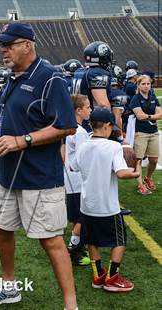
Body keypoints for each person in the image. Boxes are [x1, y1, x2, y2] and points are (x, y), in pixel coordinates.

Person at [0, 22, 78, 310]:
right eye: (1, 45)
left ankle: (72, 306)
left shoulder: (50, 79)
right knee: (3, 231)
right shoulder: (9, 78)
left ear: (28, 46)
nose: (3, 50)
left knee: (52, 242)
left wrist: (22, 140)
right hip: (8, 175)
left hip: (40, 177)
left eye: (9, 44)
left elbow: (67, 126)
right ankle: (9, 288)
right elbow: (6, 117)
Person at [71, 108, 140, 292]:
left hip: (87, 205)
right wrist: (136, 172)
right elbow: (121, 173)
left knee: (92, 241)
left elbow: (73, 167)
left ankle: (98, 276)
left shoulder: (84, 145)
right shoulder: (113, 147)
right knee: (119, 241)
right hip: (107, 206)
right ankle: (112, 278)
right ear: (108, 125)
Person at [63, 95, 91, 266]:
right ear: (78, 110)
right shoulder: (79, 132)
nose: (90, 110)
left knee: (77, 217)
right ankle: (73, 251)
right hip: (77, 180)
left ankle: (78, 245)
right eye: (87, 107)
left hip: (70, 178)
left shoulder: (68, 127)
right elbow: (82, 158)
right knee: (81, 217)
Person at [130, 75, 162, 194]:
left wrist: (148, 117)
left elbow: (160, 113)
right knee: (138, 160)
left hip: (153, 132)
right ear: (138, 85)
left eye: (148, 84)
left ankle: (148, 177)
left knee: (153, 160)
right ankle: (140, 185)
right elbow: (139, 116)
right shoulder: (135, 98)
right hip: (141, 132)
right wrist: (153, 117)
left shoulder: (153, 96)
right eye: (143, 84)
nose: (146, 86)